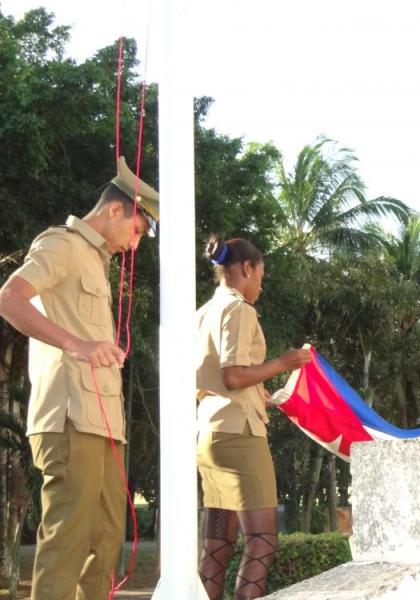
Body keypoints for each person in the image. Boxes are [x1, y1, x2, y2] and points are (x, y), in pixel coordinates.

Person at [0, 157, 158, 599]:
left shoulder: (96, 259)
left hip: (99, 419)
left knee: (106, 538)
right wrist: (76, 344)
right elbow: (10, 298)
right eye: (139, 232)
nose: (135, 246)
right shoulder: (62, 245)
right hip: (68, 418)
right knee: (67, 540)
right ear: (115, 211)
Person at [196, 234, 311, 600]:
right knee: (261, 539)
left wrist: (257, 391)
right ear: (246, 268)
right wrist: (283, 363)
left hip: (210, 435)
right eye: (260, 275)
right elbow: (233, 375)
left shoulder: (204, 312)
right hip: (240, 438)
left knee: (217, 545)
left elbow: (216, 377)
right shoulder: (239, 309)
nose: (261, 283)